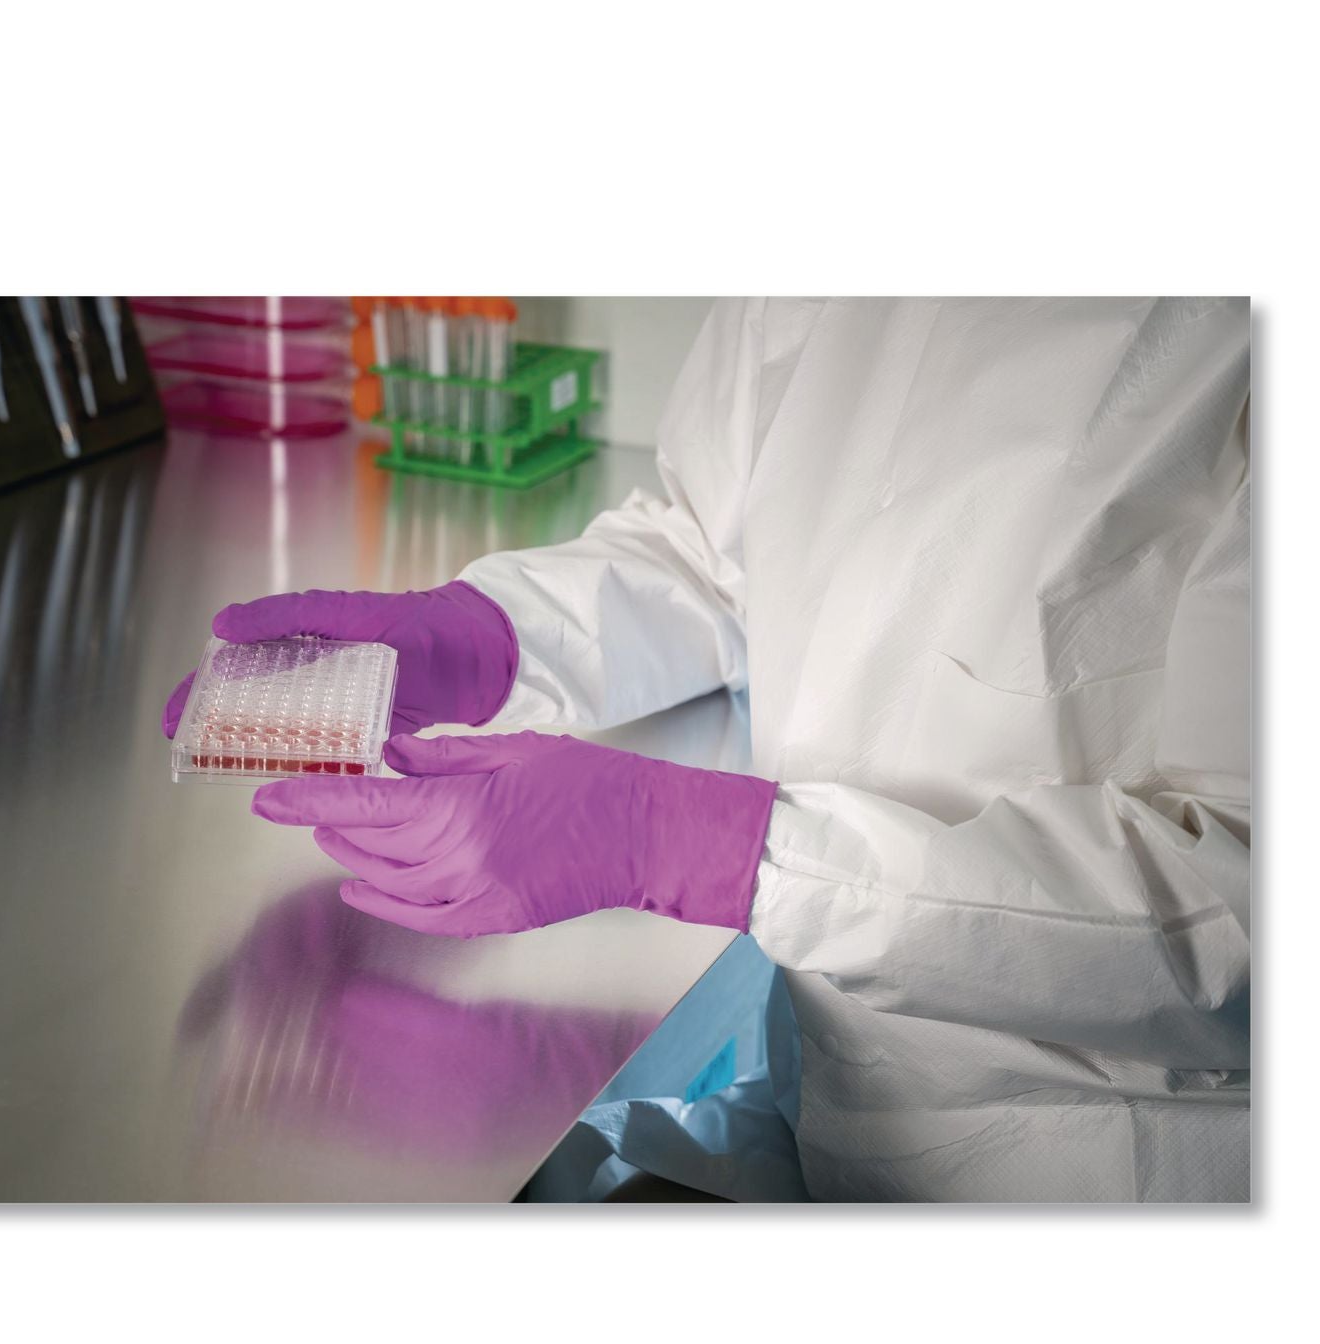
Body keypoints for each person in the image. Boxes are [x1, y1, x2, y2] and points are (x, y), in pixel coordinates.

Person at [164, 298, 1251, 1203]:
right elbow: (710, 549)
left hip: (1112, 1168)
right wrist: (488, 637)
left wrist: (694, 843)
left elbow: (1247, 906)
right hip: (827, 1091)